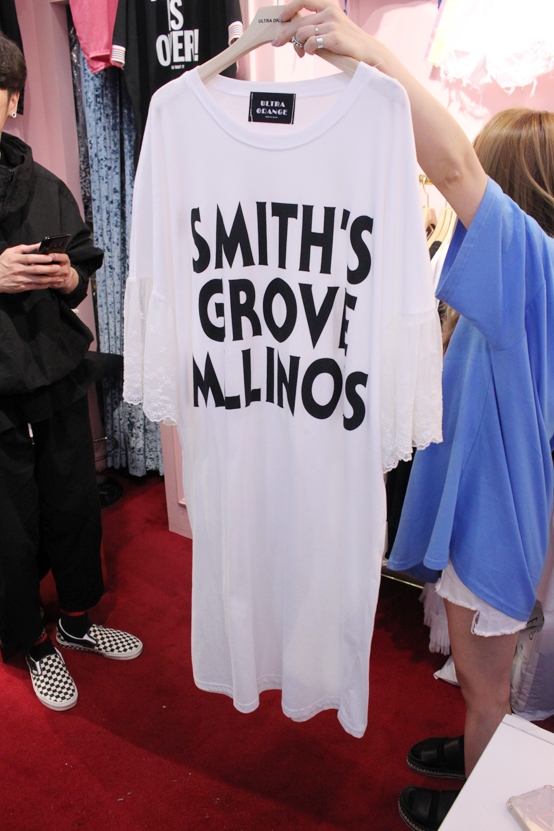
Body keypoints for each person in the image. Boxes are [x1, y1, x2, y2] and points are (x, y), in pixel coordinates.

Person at [274, 4, 554, 830]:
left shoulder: (531, 266)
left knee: (486, 686)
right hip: (489, 509)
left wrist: (360, 49)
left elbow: (454, 163)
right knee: (476, 672)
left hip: (498, 524)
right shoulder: (523, 278)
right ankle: (473, 744)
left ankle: (479, 799)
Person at [0, 33, 142, 712]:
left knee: (75, 503)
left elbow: (84, 262)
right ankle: (29, 640)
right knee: (9, 523)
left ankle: (78, 621)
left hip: (55, 370)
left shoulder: (44, 185)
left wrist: (65, 277)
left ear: (10, 99)